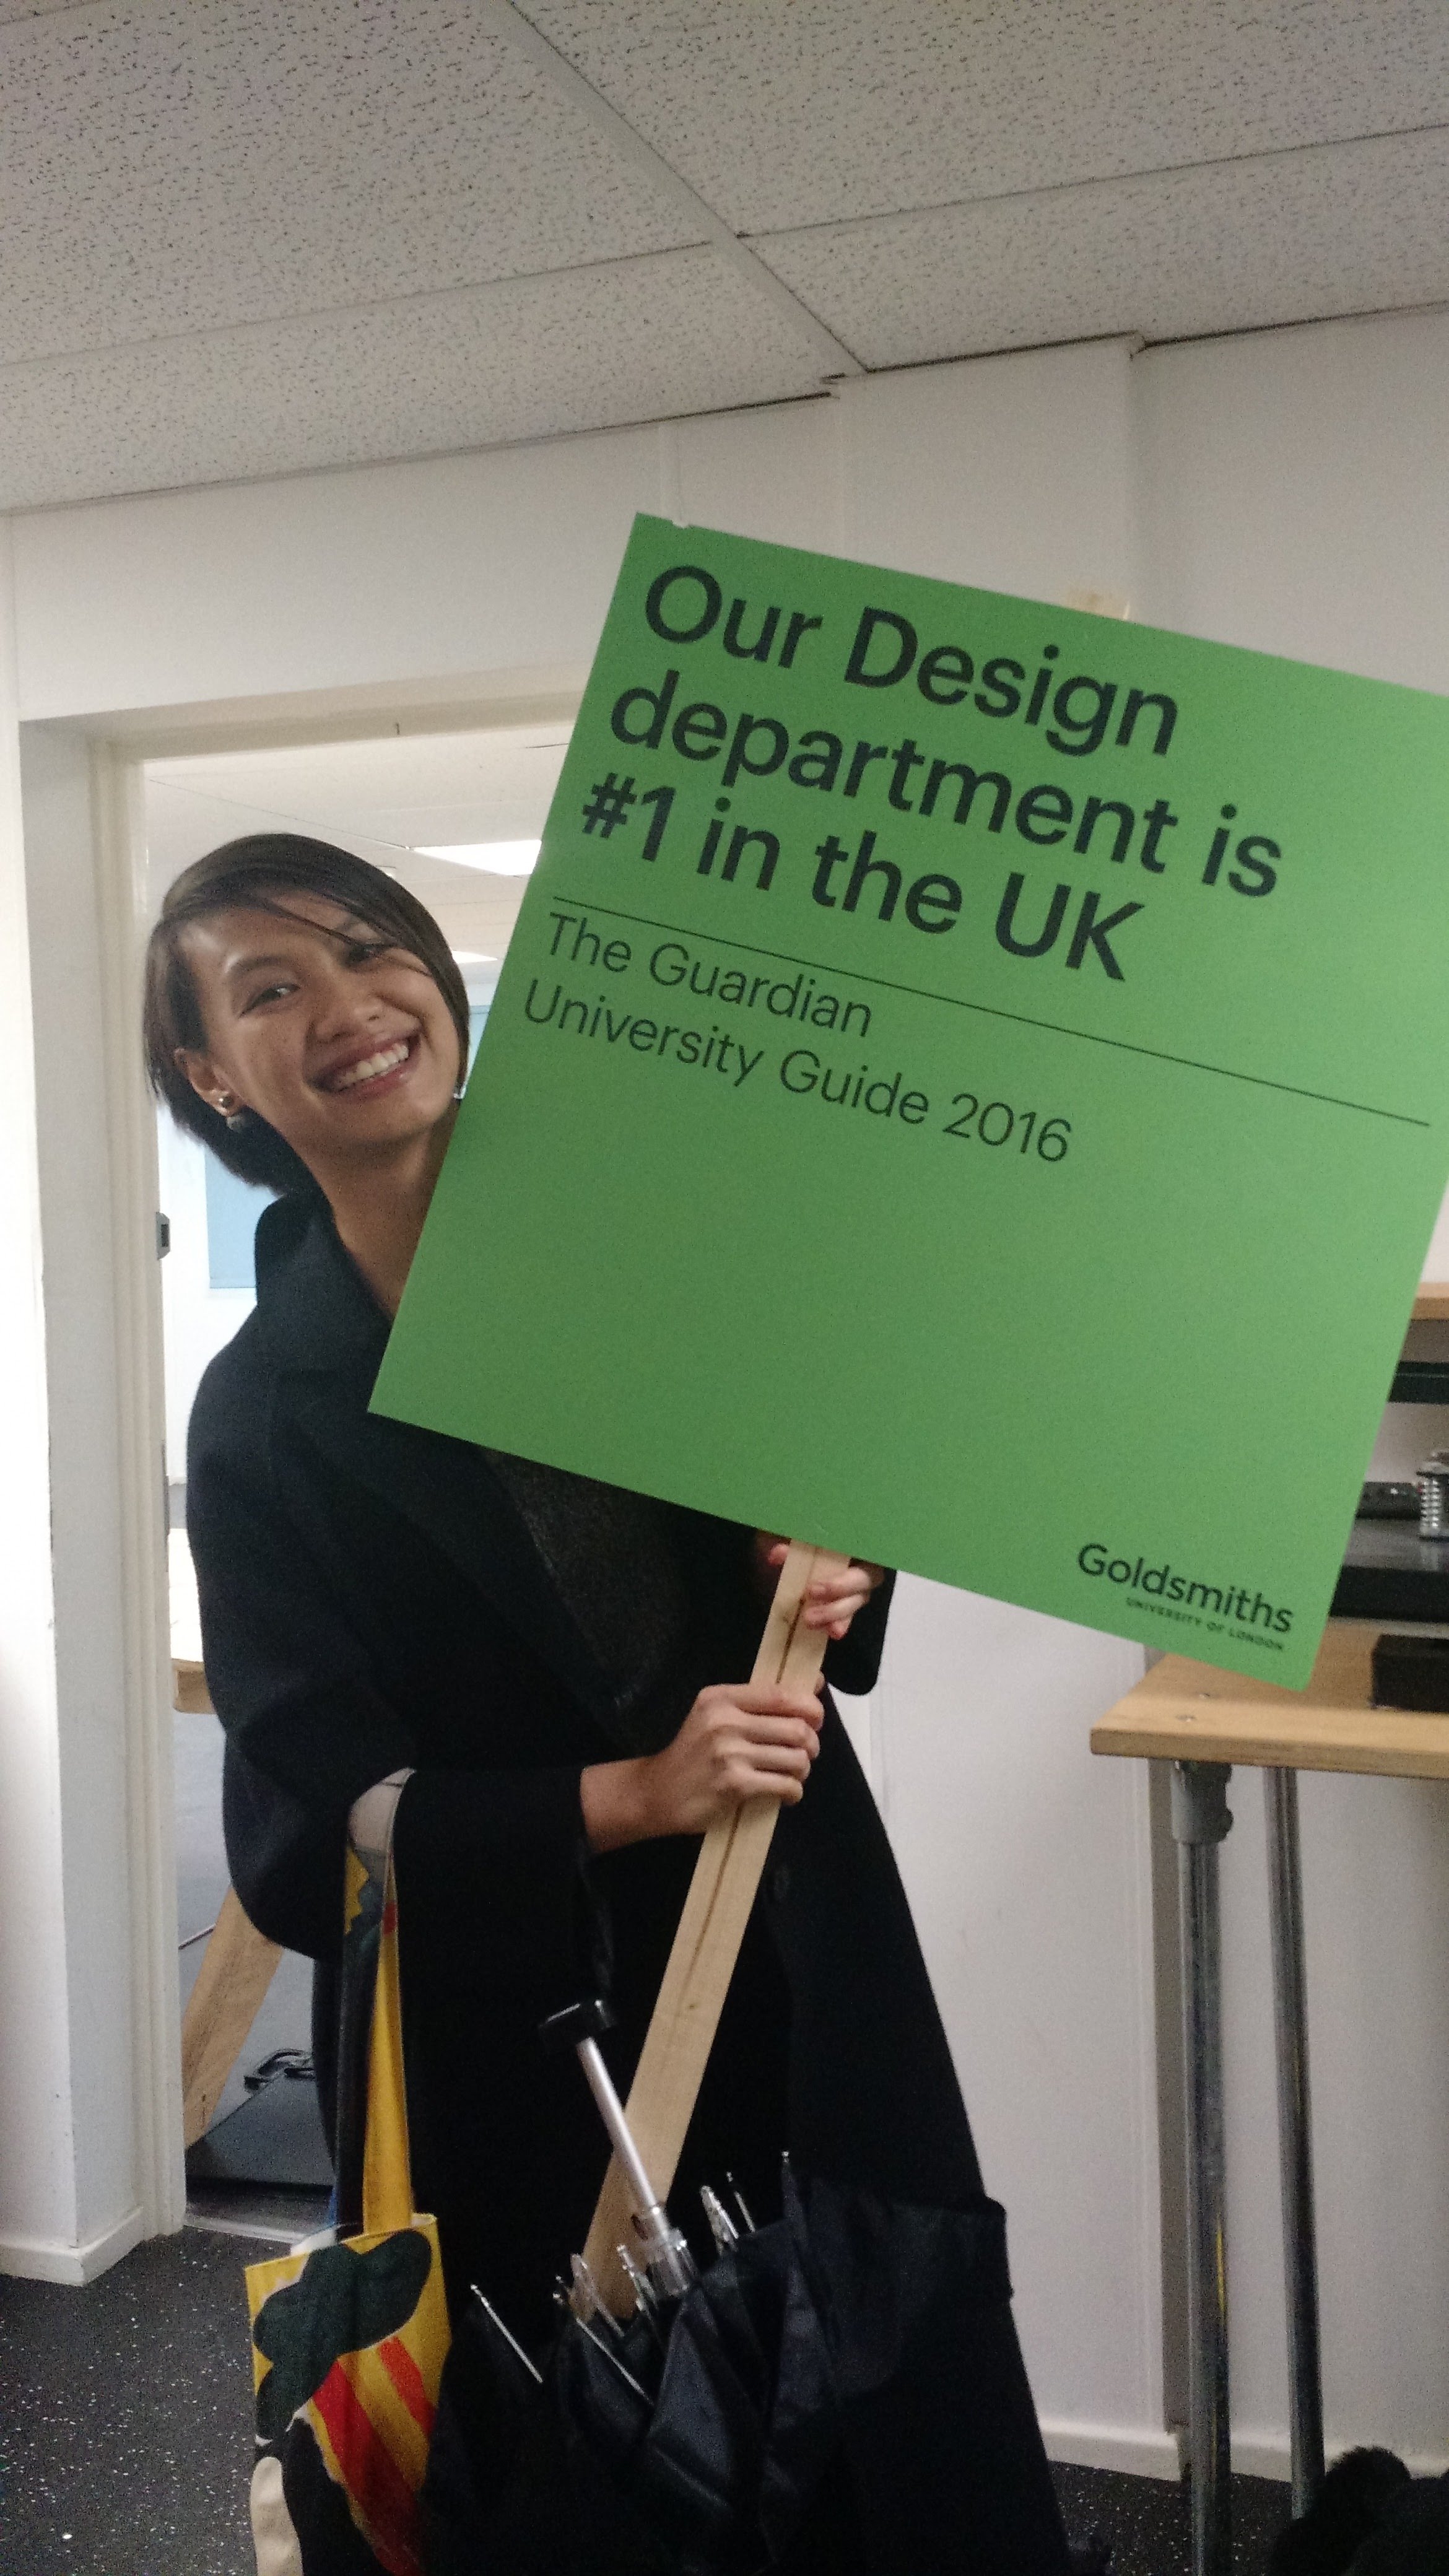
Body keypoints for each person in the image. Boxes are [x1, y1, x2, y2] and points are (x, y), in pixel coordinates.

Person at [145, 830, 1071, 2569]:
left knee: (884, 2381)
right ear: (214, 1074)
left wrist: (823, 1551)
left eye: (371, 951)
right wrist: (618, 1796)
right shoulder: (269, 1407)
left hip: (794, 1934)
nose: (350, 1007)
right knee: (614, 2447)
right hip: (528, 2022)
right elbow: (310, 1792)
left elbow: (808, 1509)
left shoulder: (642, 1256)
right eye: (272, 990)